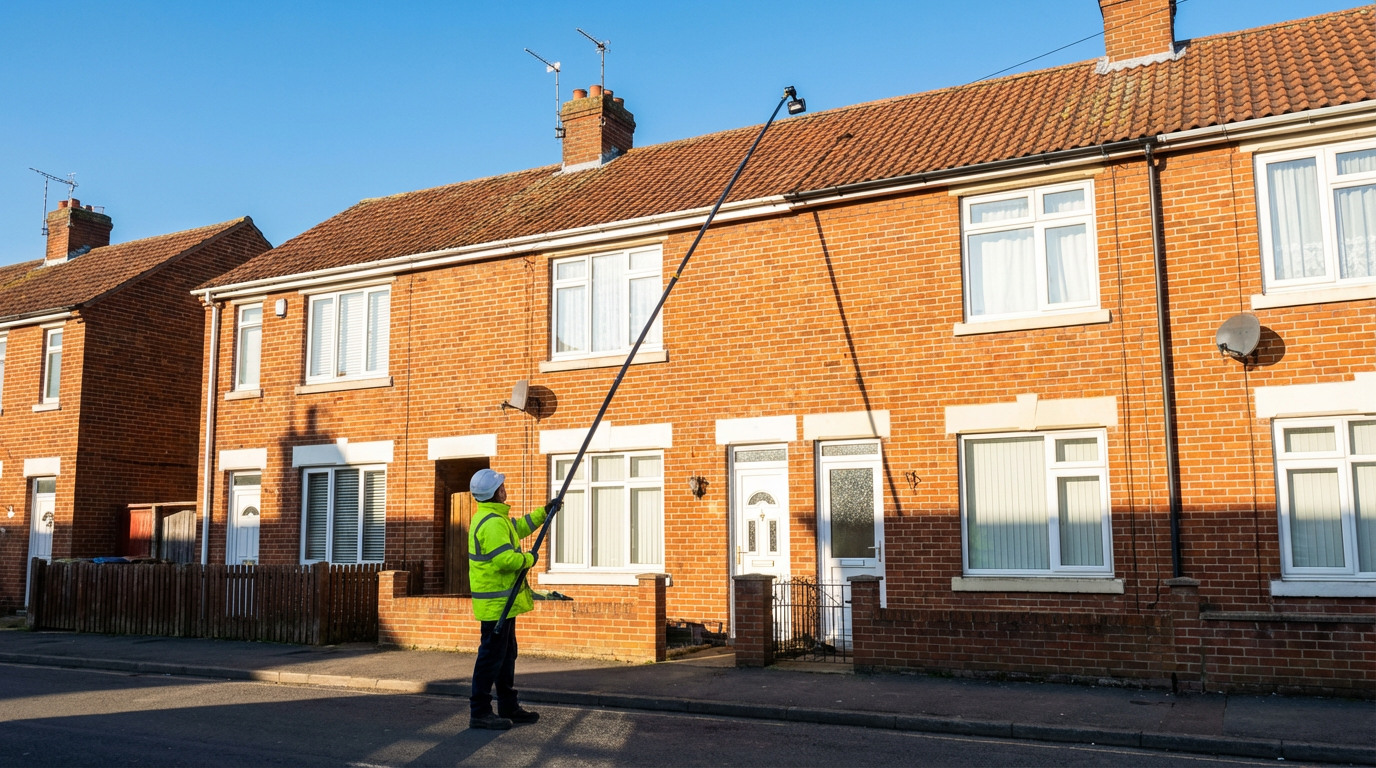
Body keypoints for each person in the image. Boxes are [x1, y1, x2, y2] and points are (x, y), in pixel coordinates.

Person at [466, 468, 548, 730]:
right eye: (501, 485)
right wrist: (530, 559)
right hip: (495, 607)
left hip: (502, 604)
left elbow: (520, 527)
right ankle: (480, 711)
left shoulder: (496, 520)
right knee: (491, 659)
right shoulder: (491, 523)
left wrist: (545, 512)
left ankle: (508, 706)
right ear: (494, 492)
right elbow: (504, 560)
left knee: (506, 656)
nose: (505, 488)